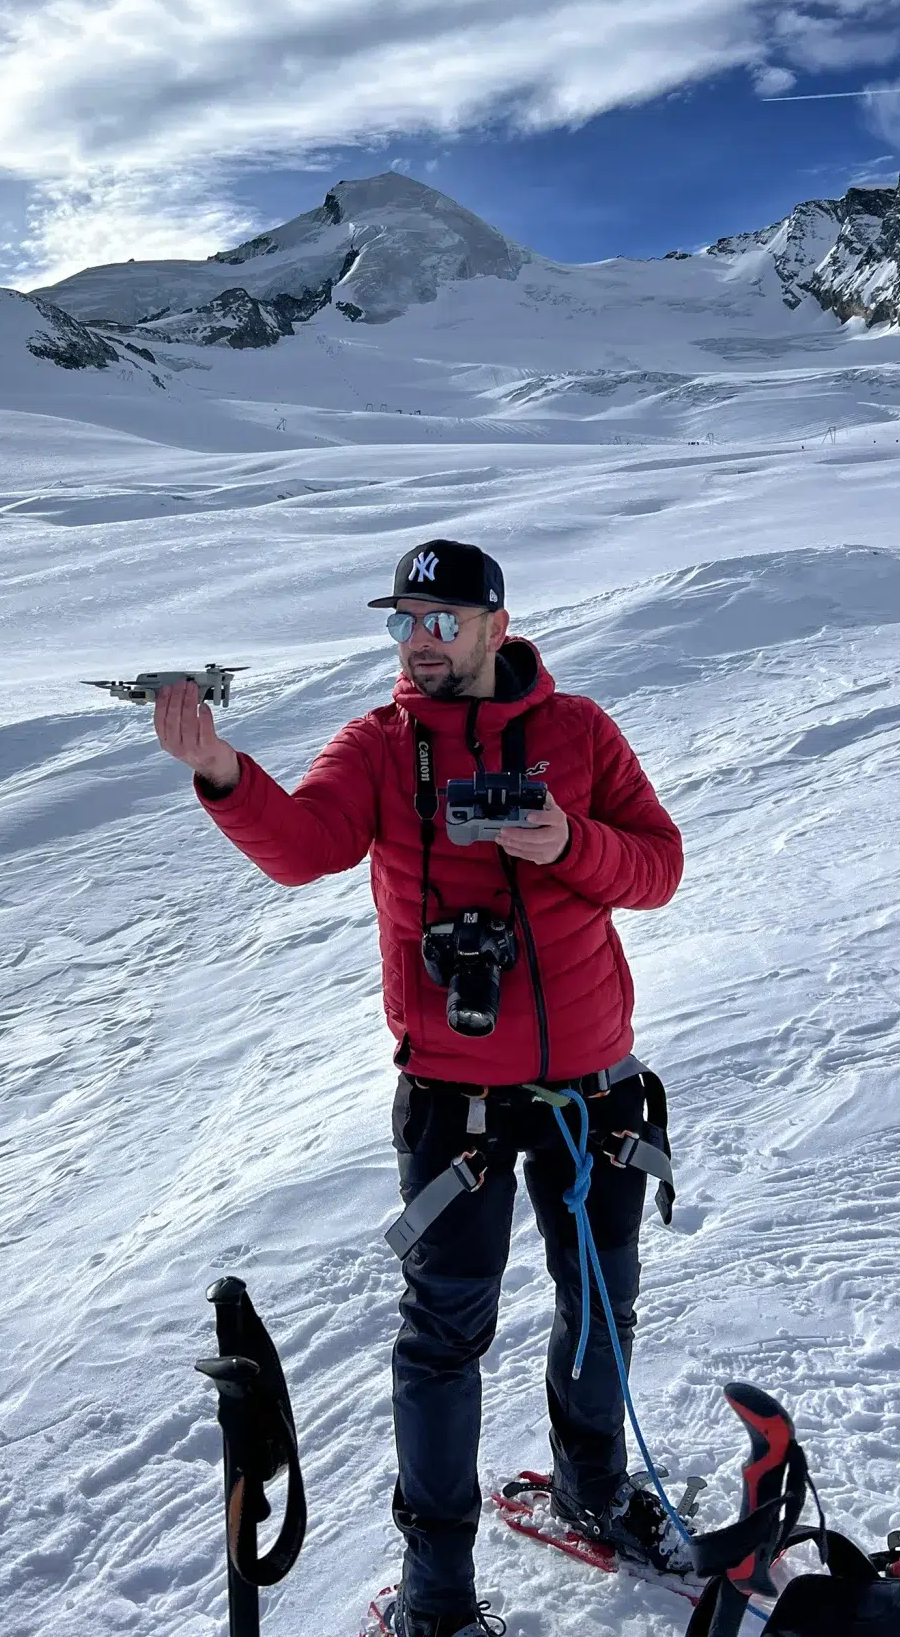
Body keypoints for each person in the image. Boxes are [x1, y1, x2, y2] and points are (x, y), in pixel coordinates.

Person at [155, 540, 685, 1637]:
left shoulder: (579, 732)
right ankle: (437, 1594)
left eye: (443, 620)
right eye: (404, 621)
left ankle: (591, 1486)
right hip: (458, 1106)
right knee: (444, 1338)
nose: (421, 643)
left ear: (498, 623)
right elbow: (304, 844)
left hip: (596, 1087)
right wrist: (222, 772)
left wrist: (568, 840)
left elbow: (659, 865)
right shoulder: (382, 746)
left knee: (601, 1300)